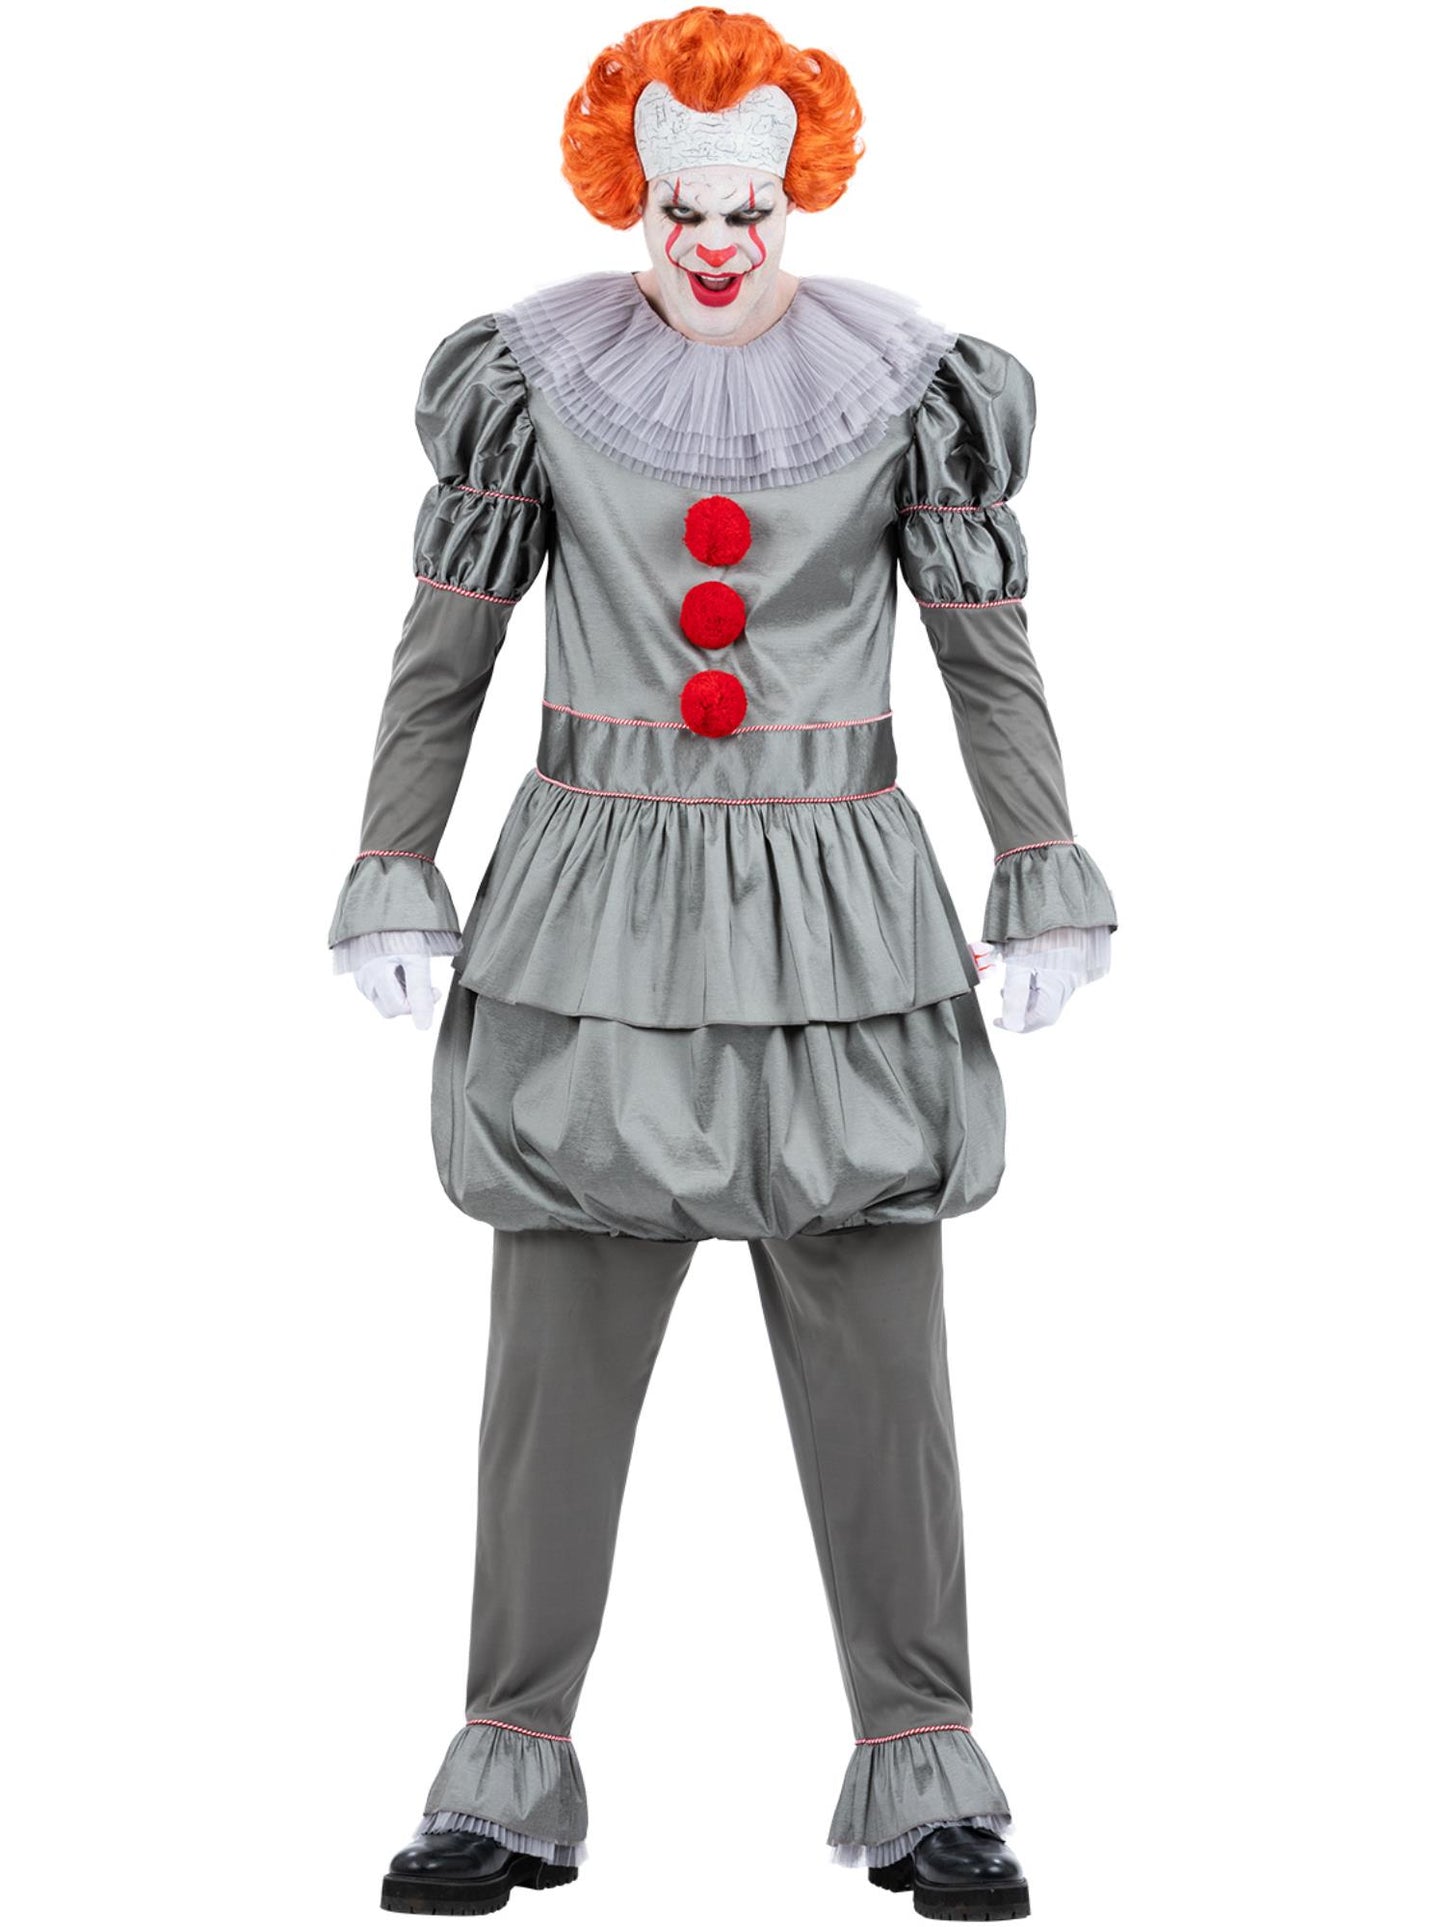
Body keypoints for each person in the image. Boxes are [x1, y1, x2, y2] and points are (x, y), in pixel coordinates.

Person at [327, 9, 1117, 1918]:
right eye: (677, 207)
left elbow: (983, 648)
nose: (710, 243)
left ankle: (926, 1775)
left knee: (883, 1379)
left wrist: (1040, 863)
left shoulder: (907, 387)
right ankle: (504, 1776)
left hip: (842, 918)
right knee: (552, 1382)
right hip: (592, 919)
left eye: (744, 208)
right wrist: (393, 859)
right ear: (632, 196)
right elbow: (446, 641)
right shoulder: (535, 380)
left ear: (792, 194)